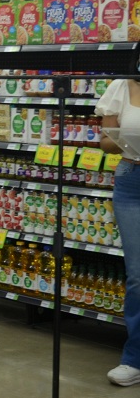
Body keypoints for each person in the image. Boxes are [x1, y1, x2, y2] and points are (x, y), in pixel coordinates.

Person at [98, 75, 140, 387]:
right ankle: (134, 358)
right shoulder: (121, 88)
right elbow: (106, 143)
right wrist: (127, 139)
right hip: (131, 179)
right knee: (137, 274)